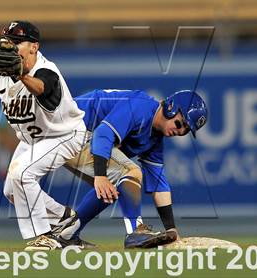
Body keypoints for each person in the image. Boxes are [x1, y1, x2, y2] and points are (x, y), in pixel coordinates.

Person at [58, 89, 208, 248]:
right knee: (130, 172)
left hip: (74, 132)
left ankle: (67, 235)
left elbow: (159, 185)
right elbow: (103, 134)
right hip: (67, 127)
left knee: (118, 186)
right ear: (171, 107)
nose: (180, 131)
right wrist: (100, 176)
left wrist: (171, 230)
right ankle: (135, 231)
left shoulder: (155, 140)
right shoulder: (141, 107)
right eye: (181, 123)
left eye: (185, 131)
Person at [0, 20, 89, 250]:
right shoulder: (0, 78)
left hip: (64, 135)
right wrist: (15, 73)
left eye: (17, 43)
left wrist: (21, 75)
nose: (11, 48)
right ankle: (64, 217)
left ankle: (44, 236)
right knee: (11, 189)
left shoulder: (47, 70)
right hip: (33, 138)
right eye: (8, 43)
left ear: (34, 47)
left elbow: (41, 87)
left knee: (23, 174)